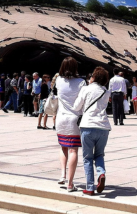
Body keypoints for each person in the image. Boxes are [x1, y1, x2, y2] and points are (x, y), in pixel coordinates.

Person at [73, 66, 111, 196]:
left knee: (87, 158)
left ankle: (90, 187)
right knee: (99, 154)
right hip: (104, 127)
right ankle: (101, 173)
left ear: (94, 77)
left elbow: (76, 106)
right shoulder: (106, 92)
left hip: (88, 125)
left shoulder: (86, 89)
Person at [56, 57, 86, 192]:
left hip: (60, 118)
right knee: (73, 150)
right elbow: (84, 100)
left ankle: (62, 175)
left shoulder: (58, 80)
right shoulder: (81, 82)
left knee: (63, 147)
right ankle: (70, 182)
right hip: (75, 118)